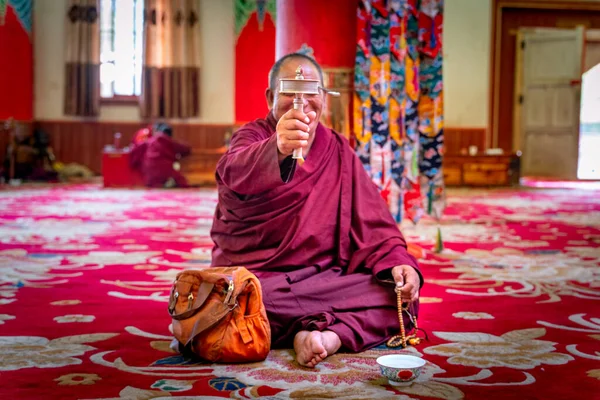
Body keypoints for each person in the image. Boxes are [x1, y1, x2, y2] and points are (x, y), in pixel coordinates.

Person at [210, 53, 423, 368]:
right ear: (270, 97)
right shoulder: (252, 137)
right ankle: (328, 329)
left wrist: (396, 262)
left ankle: (325, 335)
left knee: (400, 295)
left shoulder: (337, 149)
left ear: (324, 97)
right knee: (236, 299)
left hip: (324, 277)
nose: (301, 101)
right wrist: (277, 148)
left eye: (311, 91)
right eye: (290, 90)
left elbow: (373, 222)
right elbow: (232, 171)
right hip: (262, 278)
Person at [129, 122, 191, 188]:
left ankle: (165, 183)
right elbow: (186, 149)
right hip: (165, 169)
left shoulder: (150, 141)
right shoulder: (168, 141)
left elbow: (136, 149)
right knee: (180, 181)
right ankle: (168, 183)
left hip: (149, 171)